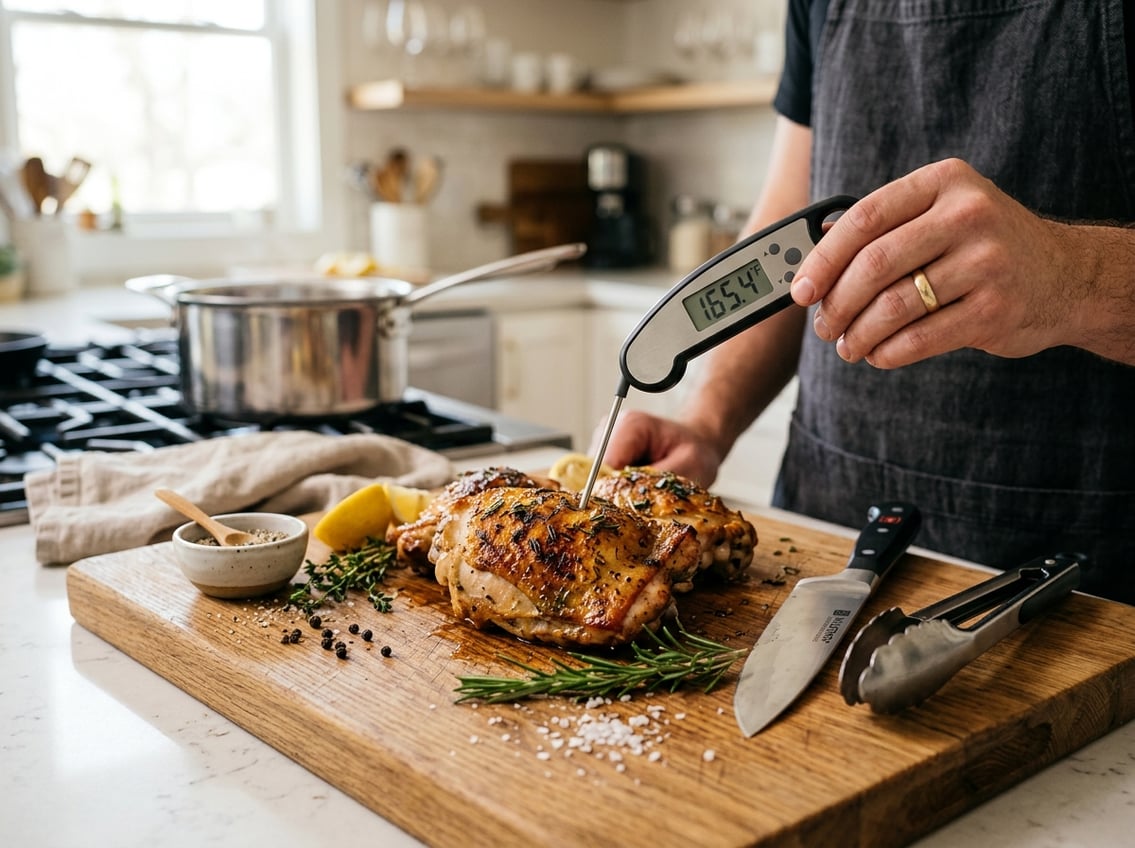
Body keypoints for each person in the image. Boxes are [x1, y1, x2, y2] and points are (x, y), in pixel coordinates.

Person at [595, 0, 1135, 605]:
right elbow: (788, 237)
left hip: (1084, 566)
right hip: (827, 528)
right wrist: (707, 421)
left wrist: (1072, 277)